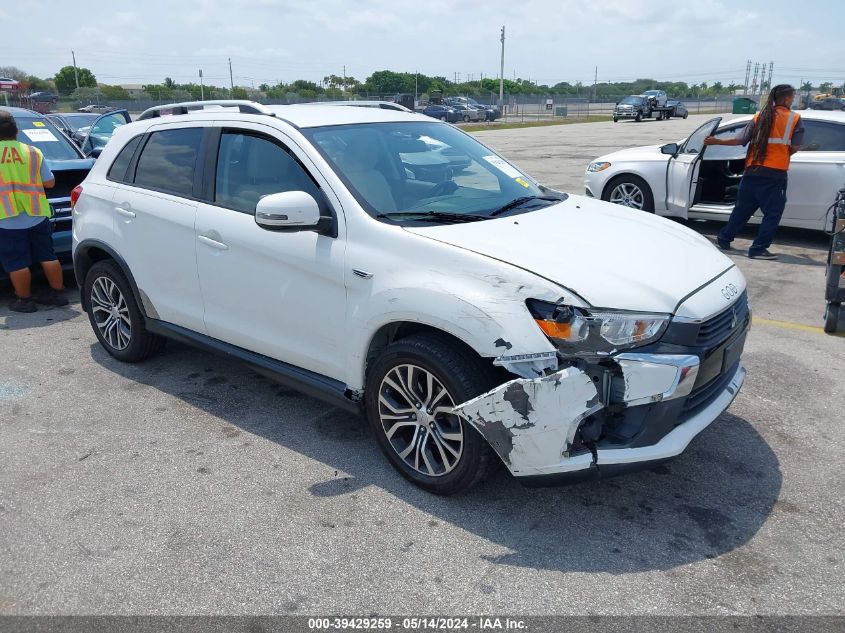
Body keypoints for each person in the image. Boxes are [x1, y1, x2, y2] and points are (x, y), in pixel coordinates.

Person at [703, 84, 804, 260]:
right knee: (772, 214)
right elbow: (795, 146)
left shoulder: (759, 116)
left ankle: (724, 238)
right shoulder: (794, 118)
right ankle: (758, 249)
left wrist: (716, 141)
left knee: (742, 209)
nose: (793, 100)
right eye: (793, 97)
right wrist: (782, 153)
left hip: (752, 171)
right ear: (787, 99)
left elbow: (740, 140)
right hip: (775, 173)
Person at [0, 110, 68, 312]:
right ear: (17, 131)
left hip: (7, 217)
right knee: (48, 255)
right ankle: (57, 293)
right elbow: (49, 182)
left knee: (16, 261)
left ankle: (24, 300)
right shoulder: (33, 152)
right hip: (37, 214)